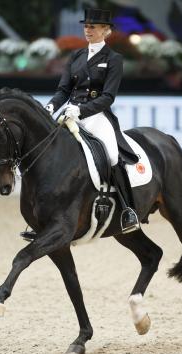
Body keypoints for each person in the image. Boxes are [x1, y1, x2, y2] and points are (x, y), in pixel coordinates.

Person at [45, 8, 140, 234]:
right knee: (49, 152)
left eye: (93, 26)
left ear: (106, 31)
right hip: (69, 113)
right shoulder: (76, 56)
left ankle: (128, 210)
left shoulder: (114, 59)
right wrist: (50, 106)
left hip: (96, 115)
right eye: (86, 26)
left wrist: (82, 110)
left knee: (112, 154)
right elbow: (63, 90)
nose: (88, 30)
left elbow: (108, 97)